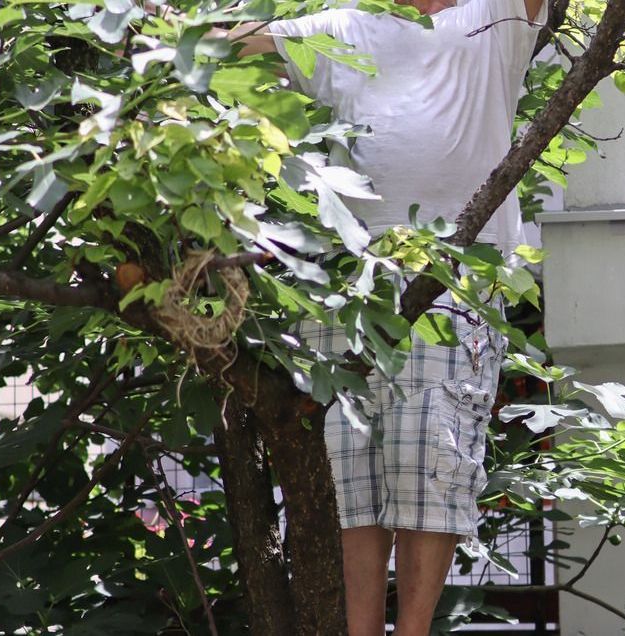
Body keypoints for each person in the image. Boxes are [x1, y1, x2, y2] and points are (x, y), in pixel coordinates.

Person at [206, 0, 547, 634]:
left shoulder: (495, 18)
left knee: (431, 468)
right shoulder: (343, 26)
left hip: (453, 278)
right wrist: (153, 24)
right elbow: (237, 41)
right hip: (348, 282)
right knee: (347, 479)